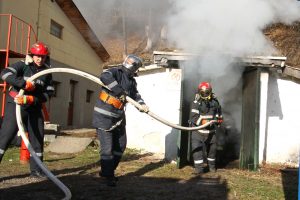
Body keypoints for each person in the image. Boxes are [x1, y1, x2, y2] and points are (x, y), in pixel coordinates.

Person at [92, 54, 149, 187]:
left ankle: (108, 171)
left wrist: (142, 104)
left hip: (118, 117)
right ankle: (107, 176)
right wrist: (119, 91)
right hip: (103, 116)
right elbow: (104, 76)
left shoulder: (132, 81)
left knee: (121, 146)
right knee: (107, 149)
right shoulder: (116, 71)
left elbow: (135, 95)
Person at [0, 42, 54, 178]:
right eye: (37, 56)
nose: (40, 59)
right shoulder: (22, 65)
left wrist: (32, 99)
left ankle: (37, 171)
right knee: (5, 137)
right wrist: (23, 84)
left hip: (34, 106)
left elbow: (49, 93)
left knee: (37, 137)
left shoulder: (47, 72)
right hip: (15, 104)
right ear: (32, 55)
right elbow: (5, 74)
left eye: (43, 56)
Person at [189, 81, 223, 174]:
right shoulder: (196, 102)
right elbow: (193, 117)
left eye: (207, 92)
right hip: (198, 131)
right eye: (202, 92)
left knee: (212, 151)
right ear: (199, 92)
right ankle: (199, 170)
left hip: (211, 132)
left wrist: (219, 121)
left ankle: (212, 168)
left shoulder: (215, 102)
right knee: (197, 150)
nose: (204, 94)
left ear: (210, 92)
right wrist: (203, 122)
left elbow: (219, 114)